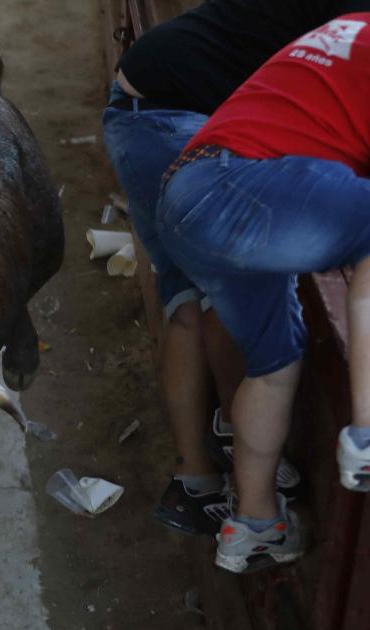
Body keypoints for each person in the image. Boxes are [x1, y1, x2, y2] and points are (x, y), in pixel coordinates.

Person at [101, 0, 369, 537]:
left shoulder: (350, 24)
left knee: (221, 322)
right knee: (204, 309)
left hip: (173, 132)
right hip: (180, 124)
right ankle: (249, 458)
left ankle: (229, 498)